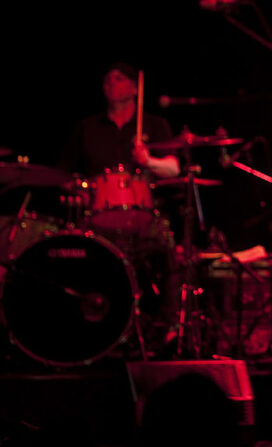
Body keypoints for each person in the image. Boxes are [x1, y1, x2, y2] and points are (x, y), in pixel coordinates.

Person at [60, 61, 182, 355]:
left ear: (134, 87)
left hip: (144, 217)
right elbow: (64, 176)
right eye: (106, 80)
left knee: (169, 250)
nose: (109, 84)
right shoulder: (87, 128)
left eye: (117, 79)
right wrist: (79, 189)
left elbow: (174, 169)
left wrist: (148, 161)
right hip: (98, 220)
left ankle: (167, 329)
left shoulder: (154, 124)